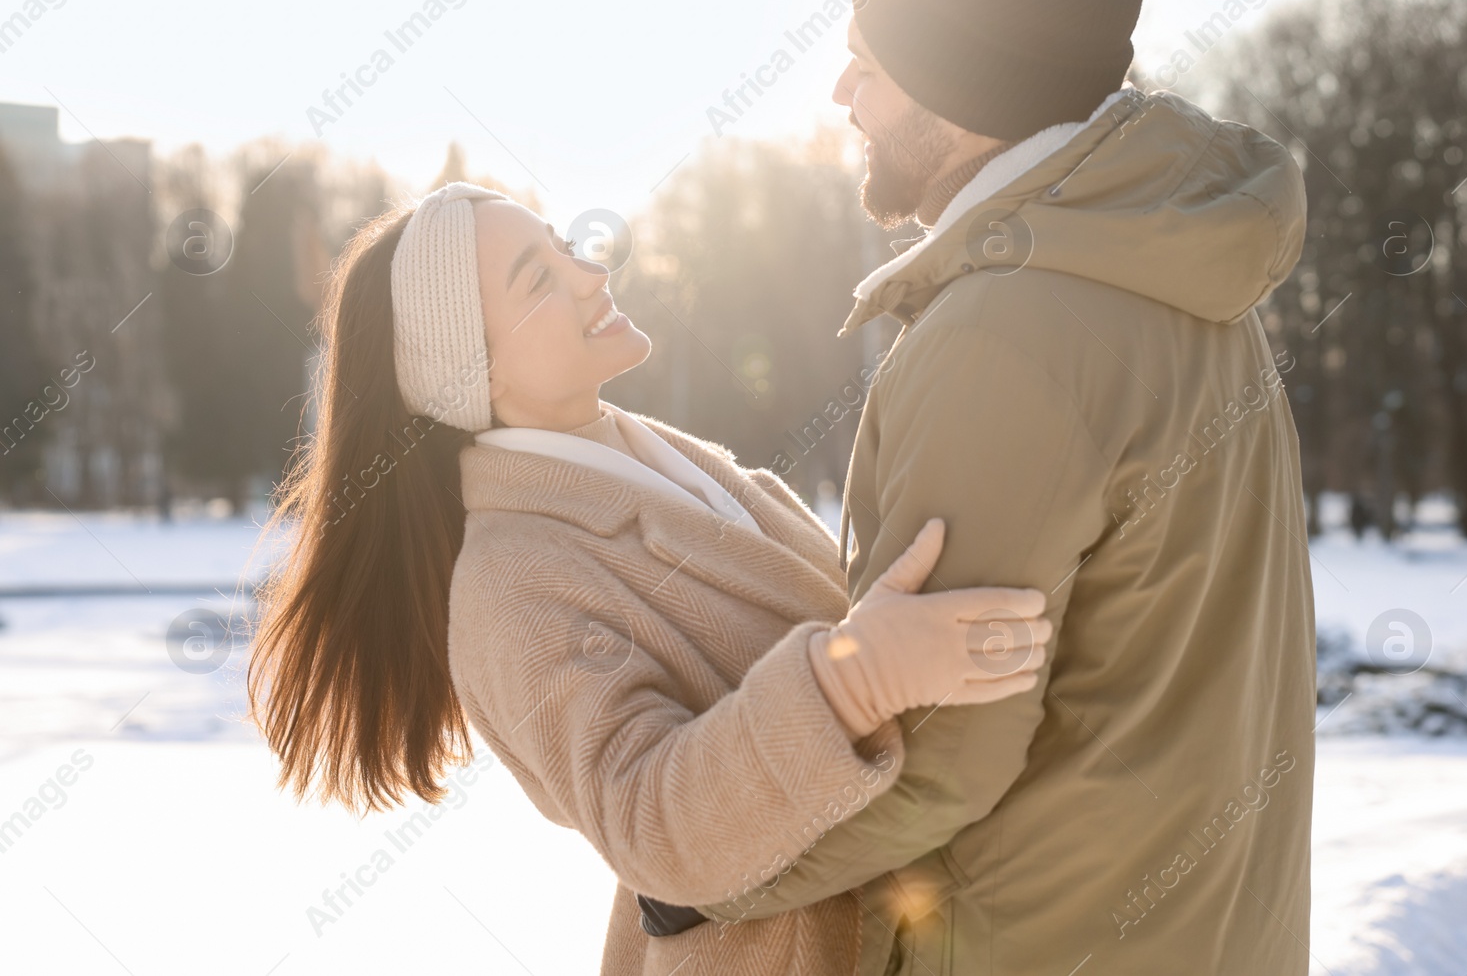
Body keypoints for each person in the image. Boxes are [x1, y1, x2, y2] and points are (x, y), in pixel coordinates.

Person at [688, 0, 1319, 973]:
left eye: (867, 65)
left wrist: (702, 870)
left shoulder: (1003, 338)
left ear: (960, 83)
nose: (844, 97)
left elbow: (934, 755)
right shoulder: (1181, 281)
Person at [246, 180, 1053, 975]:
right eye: (540, 277)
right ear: (474, 376)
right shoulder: (508, 585)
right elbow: (650, 822)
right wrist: (859, 679)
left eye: (565, 246)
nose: (592, 271)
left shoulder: (656, 457)